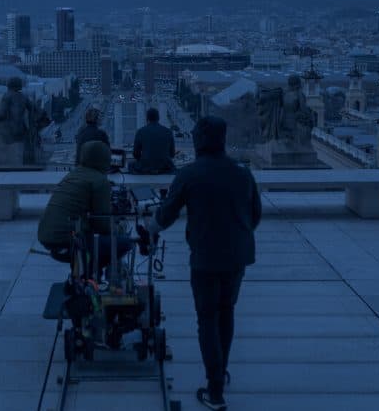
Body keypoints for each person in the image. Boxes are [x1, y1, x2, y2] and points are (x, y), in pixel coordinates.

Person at [146, 116, 261, 411]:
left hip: (206, 258)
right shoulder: (242, 173)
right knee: (226, 313)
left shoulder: (190, 174)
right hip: (237, 257)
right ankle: (219, 372)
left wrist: (150, 228)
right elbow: (255, 216)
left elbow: (166, 215)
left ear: (198, 141)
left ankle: (215, 391)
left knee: (207, 319)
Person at [38, 140, 130, 272]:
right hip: (68, 241)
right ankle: (92, 276)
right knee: (124, 242)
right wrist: (118, 228)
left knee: (96, 242)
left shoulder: (73, 174)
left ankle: (86, 274)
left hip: (46, 236)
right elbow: (102, 225)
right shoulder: (100, 181)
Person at [130, 107, 176, 174]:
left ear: (147, 118)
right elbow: (172, 154)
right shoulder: (168, 132)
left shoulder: (140, 132)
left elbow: (136, 154)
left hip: (145, 166)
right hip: (165, 167)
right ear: (158, 118)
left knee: (131, 165)